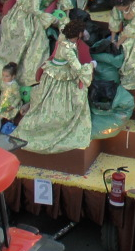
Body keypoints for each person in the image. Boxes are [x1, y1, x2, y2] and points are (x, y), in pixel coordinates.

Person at [15, 21, 94, 153]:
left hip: (51, 77)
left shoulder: (62, 38)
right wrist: (91, 66)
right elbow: (78, 68)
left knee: (43, 100)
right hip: (61, 80)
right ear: (78, 34)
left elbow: (63, 26)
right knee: (72, 103)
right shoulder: (68, 49)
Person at [0, 0, 72, 82]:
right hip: (28, 14)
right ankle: (26, 75)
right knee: (31, 38)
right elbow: (35, 10)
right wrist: (51, 19)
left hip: (45, 12)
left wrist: (64, 13)